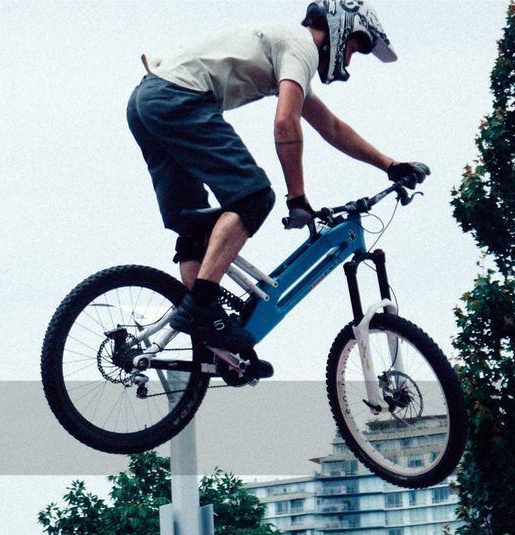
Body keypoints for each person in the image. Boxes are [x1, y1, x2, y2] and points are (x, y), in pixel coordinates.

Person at [126, 0, 425, 379]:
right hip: (177, 97)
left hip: (145, 102)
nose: (350, 60)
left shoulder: (287, 52)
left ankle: (214, 342)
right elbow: (286, 123)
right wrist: (296, 198)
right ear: (341, 29)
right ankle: (202, 306)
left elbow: (331, 127)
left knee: (196, 227)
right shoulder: (300, 47)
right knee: (253, 196)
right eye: (355, 47)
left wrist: (389, 164)